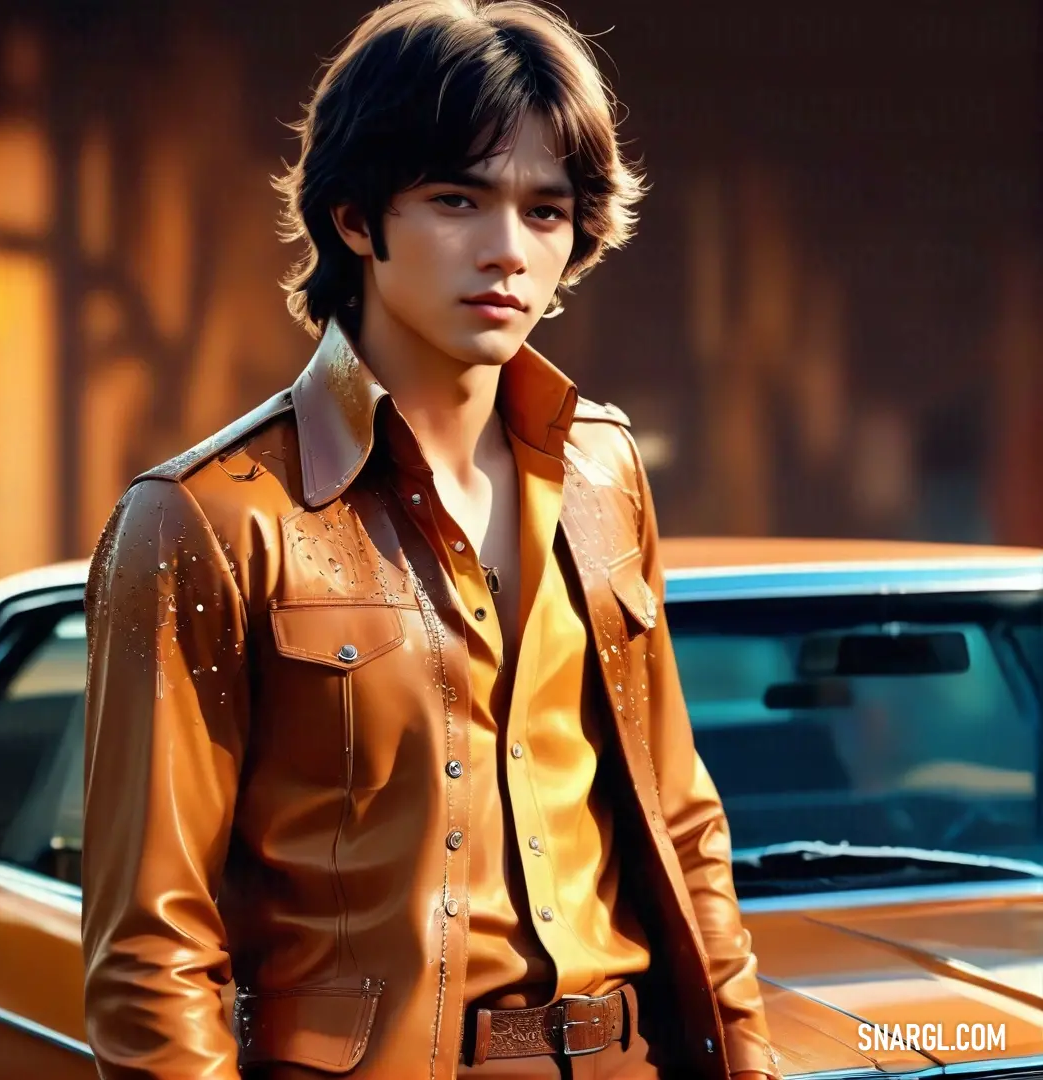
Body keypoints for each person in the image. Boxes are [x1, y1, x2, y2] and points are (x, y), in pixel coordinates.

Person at [81, 2, 783, 1078]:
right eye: (458, 200)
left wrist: (750, 1060)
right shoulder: (208, 519)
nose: (508, 251)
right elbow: (150, 944)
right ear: (357, 219)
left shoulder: (603, 469)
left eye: (546, 213)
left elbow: (683, 821)